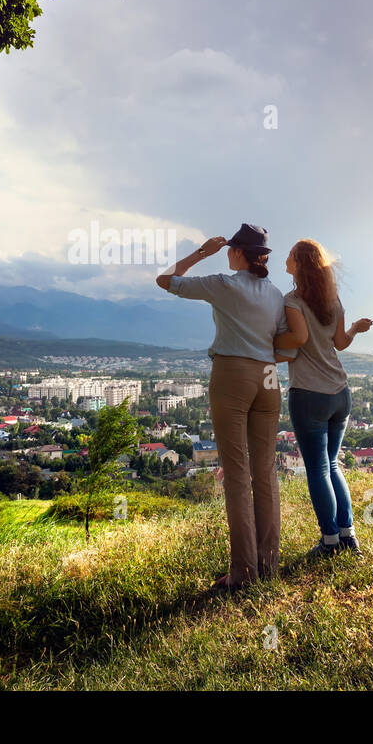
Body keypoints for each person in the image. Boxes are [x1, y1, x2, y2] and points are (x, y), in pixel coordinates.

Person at [157, 223, 295, 589]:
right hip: (269, 377)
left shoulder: (224, 284)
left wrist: (202, 252)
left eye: (231, 248)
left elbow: (165, 280)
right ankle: (268, 564)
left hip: (232, 373)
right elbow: (289, 346)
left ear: (236, 252)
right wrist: (262, 360)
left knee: (236, 473)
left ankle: (243, 573)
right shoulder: (276, 294)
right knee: (265, 472)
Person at [274, 239, 372, 556]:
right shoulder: (333, 300)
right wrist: (356, 327)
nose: (285, 259)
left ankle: (329, 542)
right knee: (332, 464)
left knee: (317, 469)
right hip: (340, 393)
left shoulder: (292, 301)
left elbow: (298, 339)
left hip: (309, 394)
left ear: (300, 265)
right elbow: (341, 343)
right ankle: (349, 537)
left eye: (290, 256)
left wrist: (265, 344)